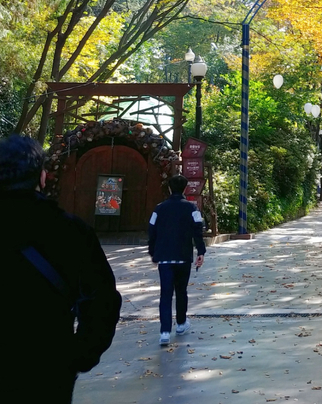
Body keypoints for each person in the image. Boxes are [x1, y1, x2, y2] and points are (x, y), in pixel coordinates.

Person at [0, 135, 121, 403]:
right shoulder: (69, 230)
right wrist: (78, 356)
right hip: (46, 366)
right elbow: (103, 302)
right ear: (41, 177)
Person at [148, 174, 206, 345]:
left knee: (165, 294)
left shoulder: (159, 209)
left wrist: (153, 252)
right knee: (181, 291)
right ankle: (181, 323)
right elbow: (198, 230)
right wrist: (200, 251)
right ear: (185, 188)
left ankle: (164, 332)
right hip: (183, 257)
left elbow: (151, 230)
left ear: (169, 188)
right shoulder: (192, 209)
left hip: (164, 257)